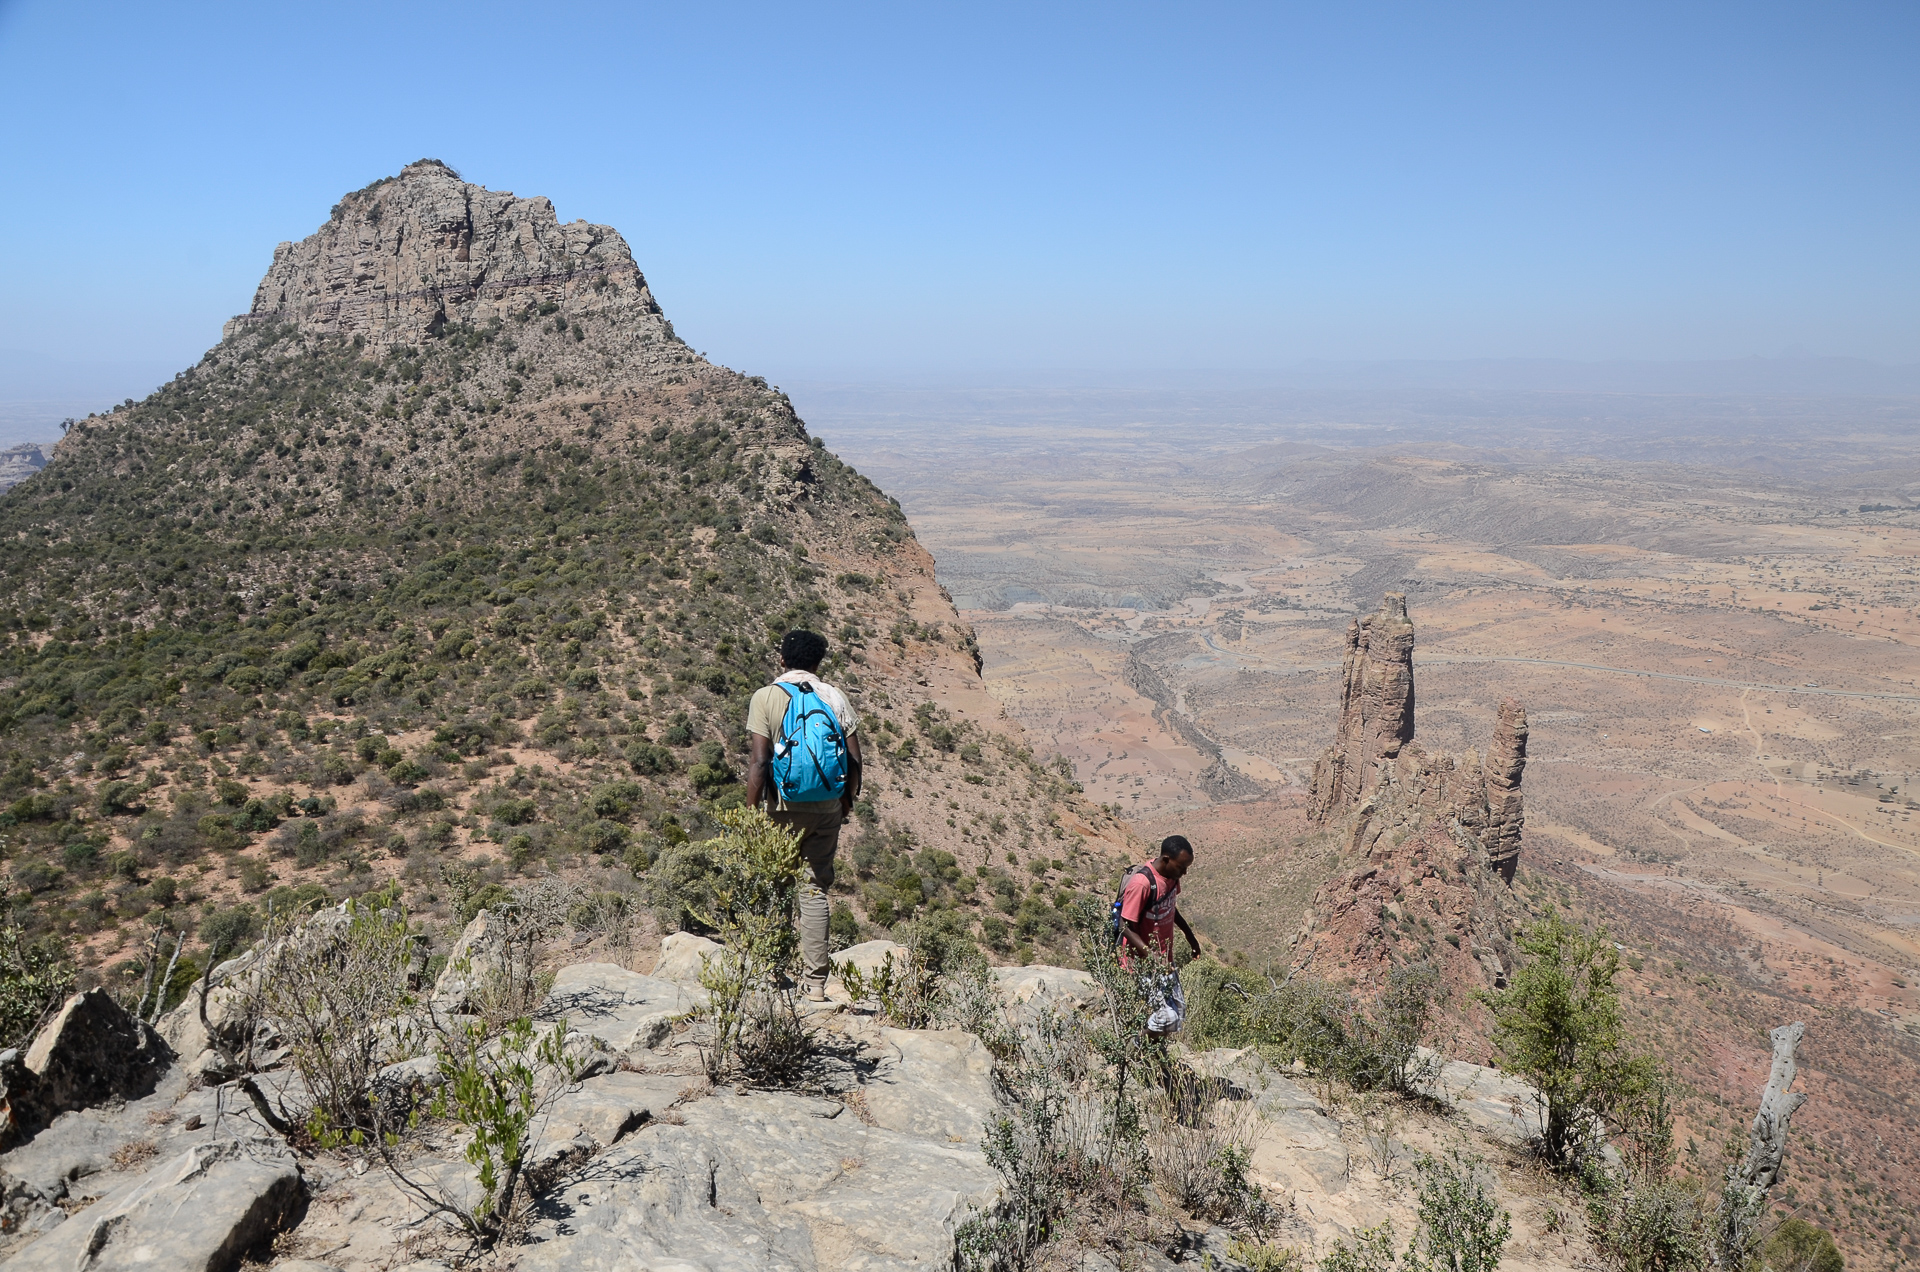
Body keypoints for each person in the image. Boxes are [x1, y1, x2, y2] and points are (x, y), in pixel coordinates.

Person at [745, 629, 863, 1001]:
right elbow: (855, 760)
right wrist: (847, 802)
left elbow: (760, 761)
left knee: (777, 885)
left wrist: (751, 814)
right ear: (817, 663)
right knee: (814, 889)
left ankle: (775, 975)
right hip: (827, 806)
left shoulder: (766, 697)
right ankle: (815, 986)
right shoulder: (834, 695)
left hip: (782, 807)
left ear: (782, 659)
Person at [1117, 835, 1200, 1037]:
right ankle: (1136, 1044)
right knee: (1166, 1017)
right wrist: (1152, 957)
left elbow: (1170, 907)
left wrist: (1190, 937)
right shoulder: (1142, 884)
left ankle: (1151, 1050)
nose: (1184, 872)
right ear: (1165, 859)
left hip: (1164, 961)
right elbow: (1124, 926)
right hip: (1141, 963)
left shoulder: (1172, 879)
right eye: (1181, 867)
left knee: (1177, 1015)